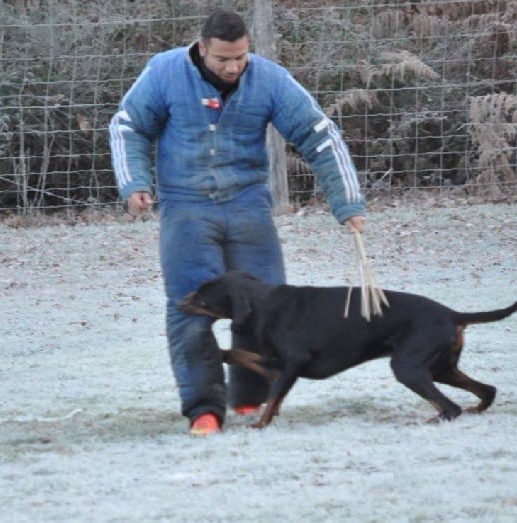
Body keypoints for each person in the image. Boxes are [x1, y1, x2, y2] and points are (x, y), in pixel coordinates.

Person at [108, 9, 366, 435]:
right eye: (222, 59)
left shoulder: (270, 79)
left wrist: (347, 202)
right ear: (202, 47)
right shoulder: (164, 72)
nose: (232, 67)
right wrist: (133, 181)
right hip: (186, 208)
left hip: (248, 207)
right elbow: (128, 126)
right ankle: (203, 409)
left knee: (266, 307)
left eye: (240, 58)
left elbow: (319, 134)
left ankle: (249, 399)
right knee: (191, 308)